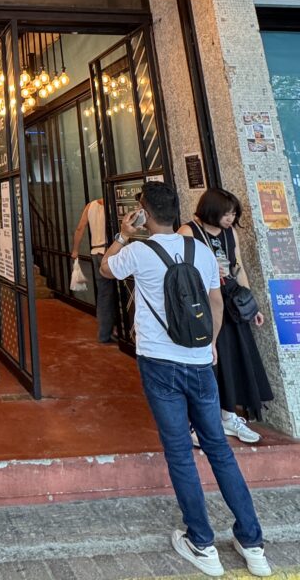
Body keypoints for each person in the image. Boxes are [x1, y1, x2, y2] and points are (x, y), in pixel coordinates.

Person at [101, 181, 271, 578]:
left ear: (144, 212)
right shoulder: (200, 251)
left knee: (179, 451)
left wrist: (123, 234)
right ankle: (252, 544)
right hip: (198, 360)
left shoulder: (138, 252)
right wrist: (209, 344)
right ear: (177, 210)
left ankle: (202, 542)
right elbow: (215, 301)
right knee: (219, 449)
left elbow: (107, 268)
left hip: (159, 363)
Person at [180, 188, 273, 443]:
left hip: (230, 303)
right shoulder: (188, 232)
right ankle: (199, 421)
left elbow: (238, 267)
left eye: (233, 213)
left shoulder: (230, 233)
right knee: (208, 361)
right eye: (226, 213)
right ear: (211, 210)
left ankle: (228, 416)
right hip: (204, 302)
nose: (231, 218)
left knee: (232, 359)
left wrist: (251, 306)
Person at [70, 197, 118, 343]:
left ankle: (104, 333)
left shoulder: (90, 206)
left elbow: (80, 228)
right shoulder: (112, 203)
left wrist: (75, 250)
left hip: (95, 253)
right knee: (114, 293)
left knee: (103, 294)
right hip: (109, 252)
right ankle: (114, 331)